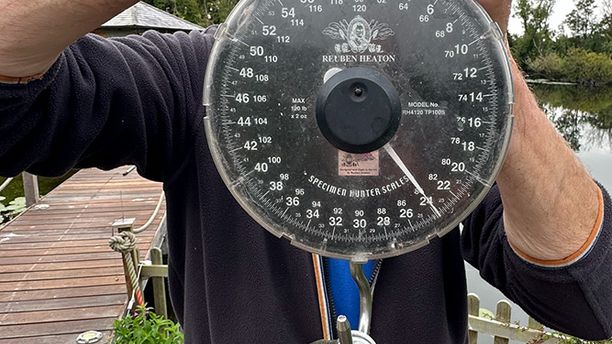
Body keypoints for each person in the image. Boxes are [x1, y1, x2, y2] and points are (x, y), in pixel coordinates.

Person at [0, 1, 610, 343]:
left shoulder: (446, 114)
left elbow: (591, 295)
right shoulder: (204, 76)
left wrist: (480, 52)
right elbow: (18, 109)